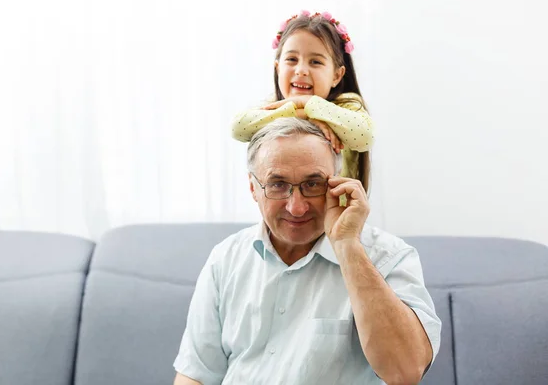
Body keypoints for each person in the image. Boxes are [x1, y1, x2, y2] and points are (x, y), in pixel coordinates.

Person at [174, 118, 441, 385]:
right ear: (253, 188)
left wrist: (347, 245)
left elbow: (405, 371)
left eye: (313, 184)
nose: (296, 207)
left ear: (337, 184)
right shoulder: (225, 258)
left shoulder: (389, 256)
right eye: (277, 184)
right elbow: (196, 375)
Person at [231, 10, 374, 191]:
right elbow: (237, 128)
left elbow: (365, 136)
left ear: (337, 75)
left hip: (335, 215)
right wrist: (302, 114)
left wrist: (308, 103)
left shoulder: (346, 106)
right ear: (278, 68)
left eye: (315, 62)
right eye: (291, 59)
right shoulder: (274, 106)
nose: (301, 70)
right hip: (287, 210)